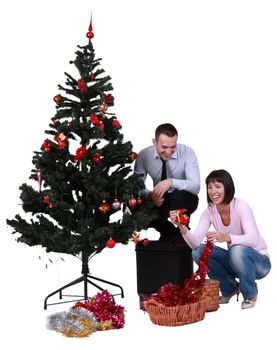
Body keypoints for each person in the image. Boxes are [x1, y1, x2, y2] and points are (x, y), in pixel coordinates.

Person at [169, 169, 271, 309]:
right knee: (198, 251)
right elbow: (195, 243)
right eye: (210, 187)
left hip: (260, 263)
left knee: (237, 250)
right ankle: (229, 289)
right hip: (236, 262)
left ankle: (250, 294)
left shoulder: (241, 206)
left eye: (218, 186)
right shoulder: (210, 211)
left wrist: (226, 237)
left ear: (227, 187)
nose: (213, 191)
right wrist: (182, 227)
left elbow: (253, 239)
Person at [134, 123, 200, 243]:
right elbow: (135, 186)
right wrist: (150, 195)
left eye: (173, 147)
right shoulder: (144, 155)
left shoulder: (187, 152)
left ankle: (183, 229)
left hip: (182, 200)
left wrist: (170, 182)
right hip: (159, 201)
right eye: (164, 147)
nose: (169, 152)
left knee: (178, 195)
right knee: (133, 204)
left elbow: (195, 187)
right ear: (154, 142)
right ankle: (167, 230)